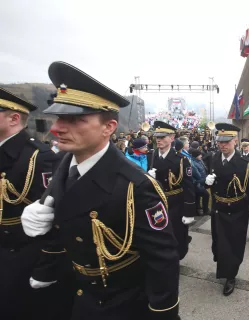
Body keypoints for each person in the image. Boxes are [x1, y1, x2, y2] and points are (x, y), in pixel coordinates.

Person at [20, 62, 180, 319]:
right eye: (59, 117)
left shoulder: (136, 186)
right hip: (72, 289)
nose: (56, 128)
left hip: (118, 302)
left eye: (74, 119)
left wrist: (163, 313)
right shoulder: (65, 163)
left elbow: (163, 259)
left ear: (109, 127)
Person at [0, 87, 70, 320]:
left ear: (14, 117)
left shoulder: (38, 157)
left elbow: (53, 217)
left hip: (20, 253)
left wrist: (45, 267)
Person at [205, 123, 249, 296]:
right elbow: (211, 185)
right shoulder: (213, 159)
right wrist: (205, 183)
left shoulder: (247, 164)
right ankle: (225, 268)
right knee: (219, 245)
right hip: (219, 210)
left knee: (234, 246)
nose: (222, 145)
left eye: (226, 142)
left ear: (235, 141)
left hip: (238, 211)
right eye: (220, 142)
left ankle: (231, 276)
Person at [148, 121, 196, 260]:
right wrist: (148, 179)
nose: (159, 140)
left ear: (172, 138)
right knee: (159, 234)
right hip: (157, 203)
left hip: (176, 203)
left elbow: (188, 187)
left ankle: (177, 258)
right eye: (157, 137)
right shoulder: (151, 156)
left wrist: (189, 212)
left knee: (177, 234)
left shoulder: (181, 160)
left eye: (163, 137)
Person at [190, 148, 209, 215]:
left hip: (201, 183)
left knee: (197, 197)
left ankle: (197, 210)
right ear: (196, 156)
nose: (201, 156)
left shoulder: (199, 161)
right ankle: (205, 210)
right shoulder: (193, 164)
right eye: (199, 155)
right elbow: (197, 175)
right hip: (197, 183)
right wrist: (204, 180)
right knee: (206, 195)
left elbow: (204, 169)